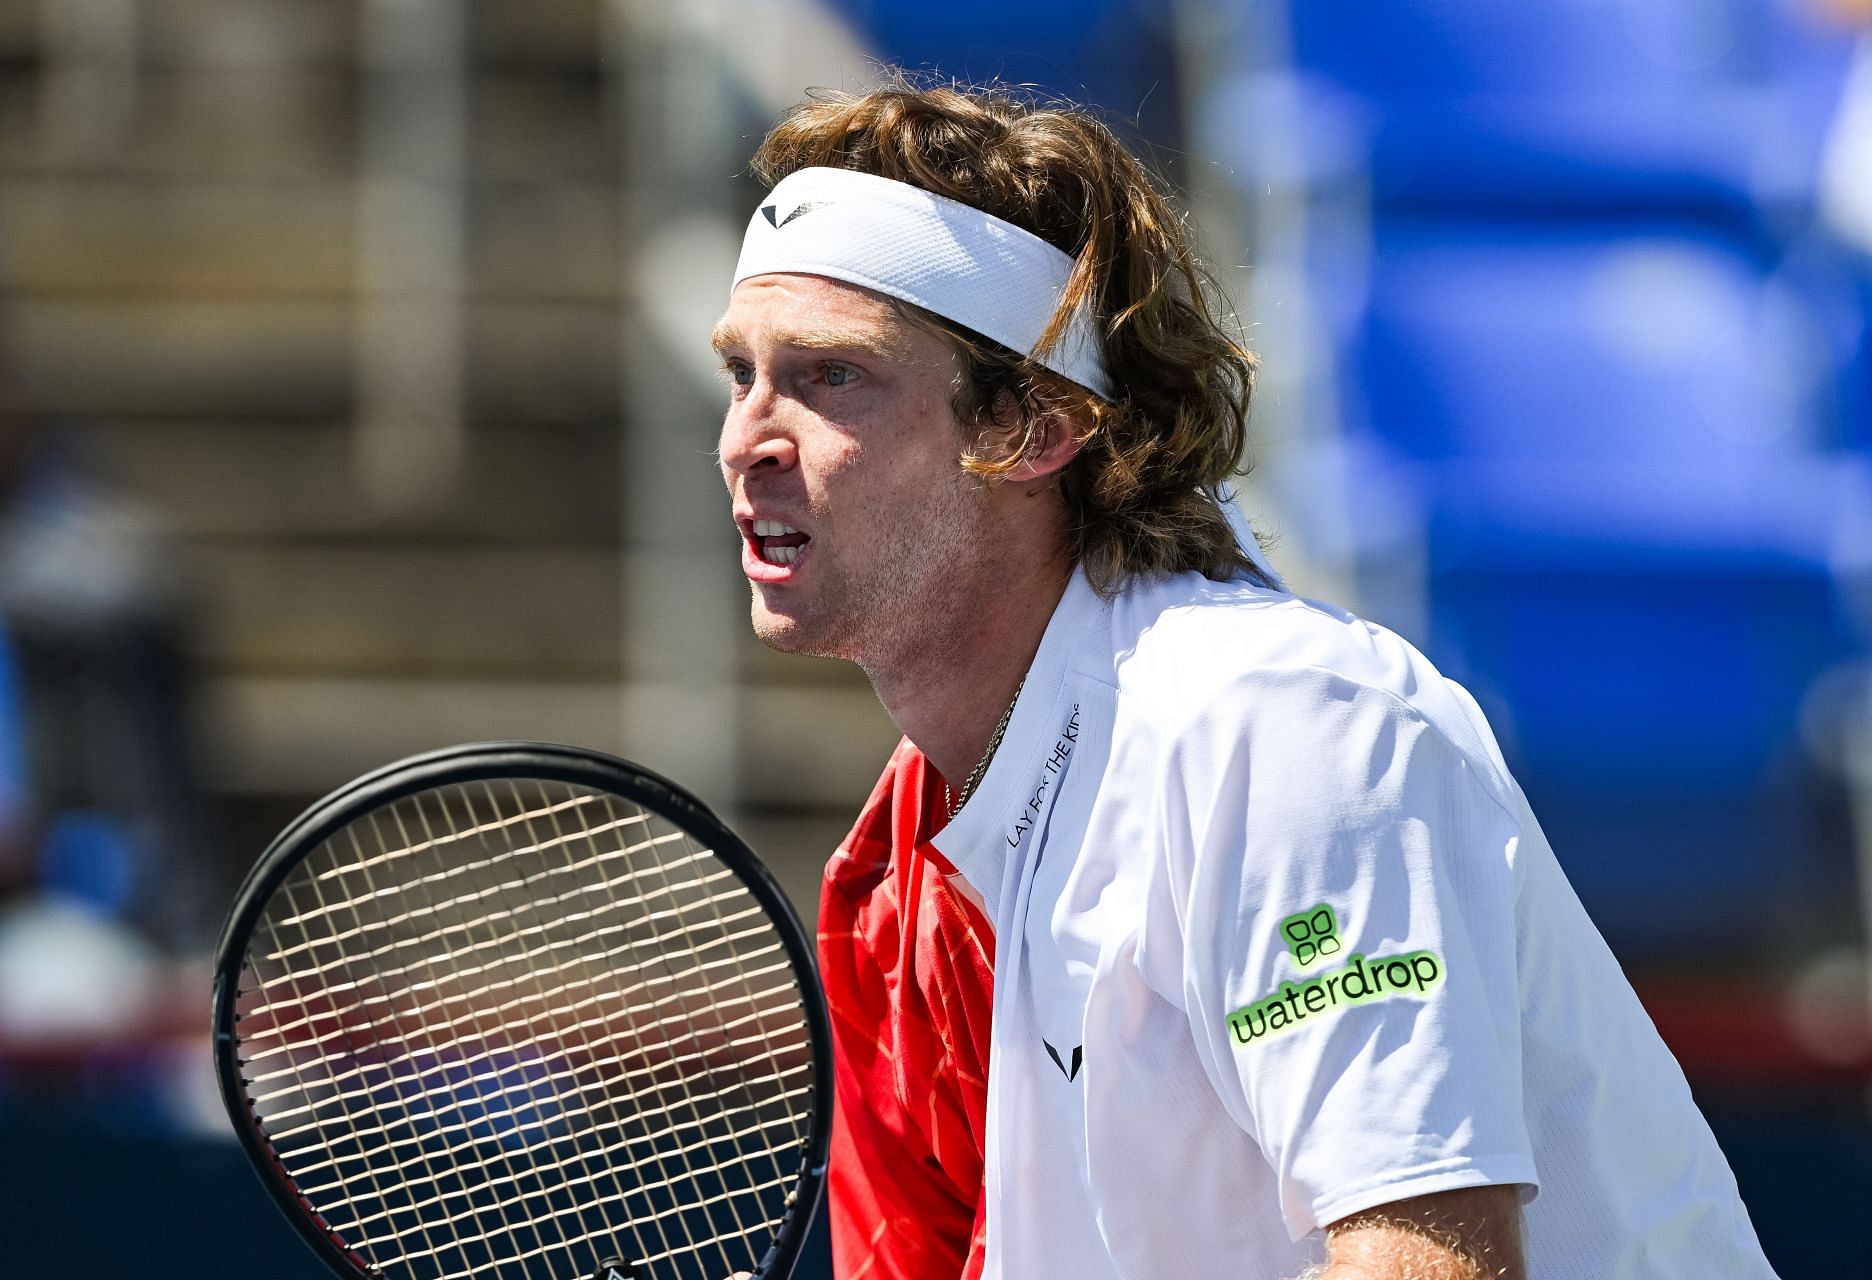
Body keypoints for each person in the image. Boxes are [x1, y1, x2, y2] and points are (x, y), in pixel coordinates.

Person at [712, 80, 1779, 1279]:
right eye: (740, 372)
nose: (746, 435)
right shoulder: (904, 874)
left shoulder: (1281, 725)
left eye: (828, 377)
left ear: (1033, 426)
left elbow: (1431, 1262)